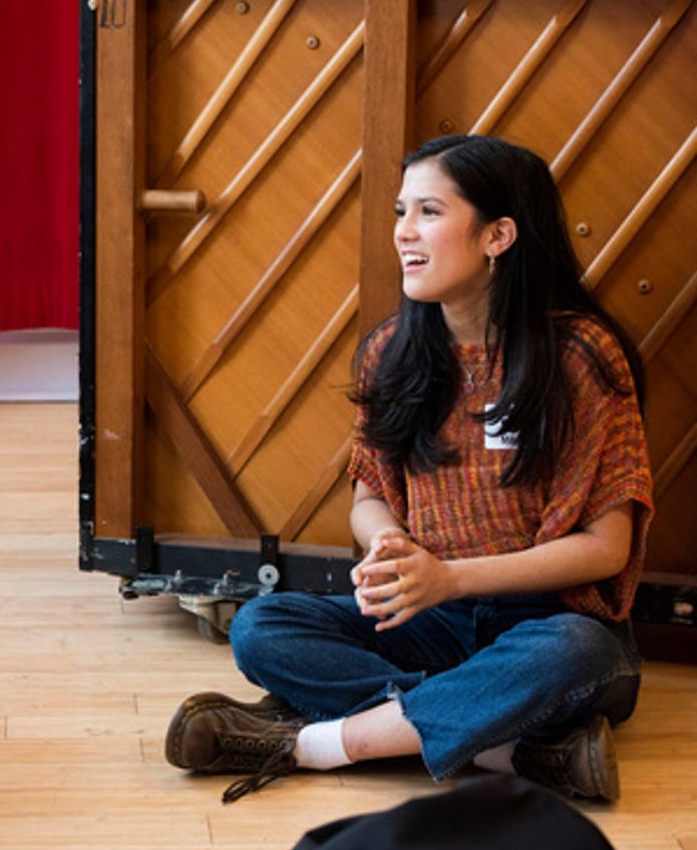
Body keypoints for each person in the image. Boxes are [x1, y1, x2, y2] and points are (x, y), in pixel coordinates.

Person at [164, 135, 653, 804]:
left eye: (428, 211)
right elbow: (368, 496)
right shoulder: (390, 351)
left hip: (551, 621)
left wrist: (450, 575)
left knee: (576, 652)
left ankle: (319, 743)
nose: (403, 232)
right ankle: (514, 748)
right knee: (261, 625)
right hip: (433, 620)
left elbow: (607, 548)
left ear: (497, 235)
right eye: (400, 212)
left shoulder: (581, 356)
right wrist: (392, 541)